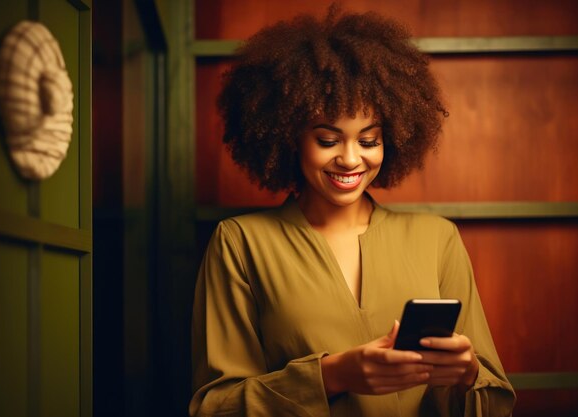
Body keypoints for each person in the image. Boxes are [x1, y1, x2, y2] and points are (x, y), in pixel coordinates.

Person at [190, 5, 516, 417]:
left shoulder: (437, 238)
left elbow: (494, 397)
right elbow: (215, 407)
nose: (350, 159)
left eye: (369, 139)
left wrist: (468, 373)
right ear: (289, 137)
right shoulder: (240, 243)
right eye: (328, 140)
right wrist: (332, 376)